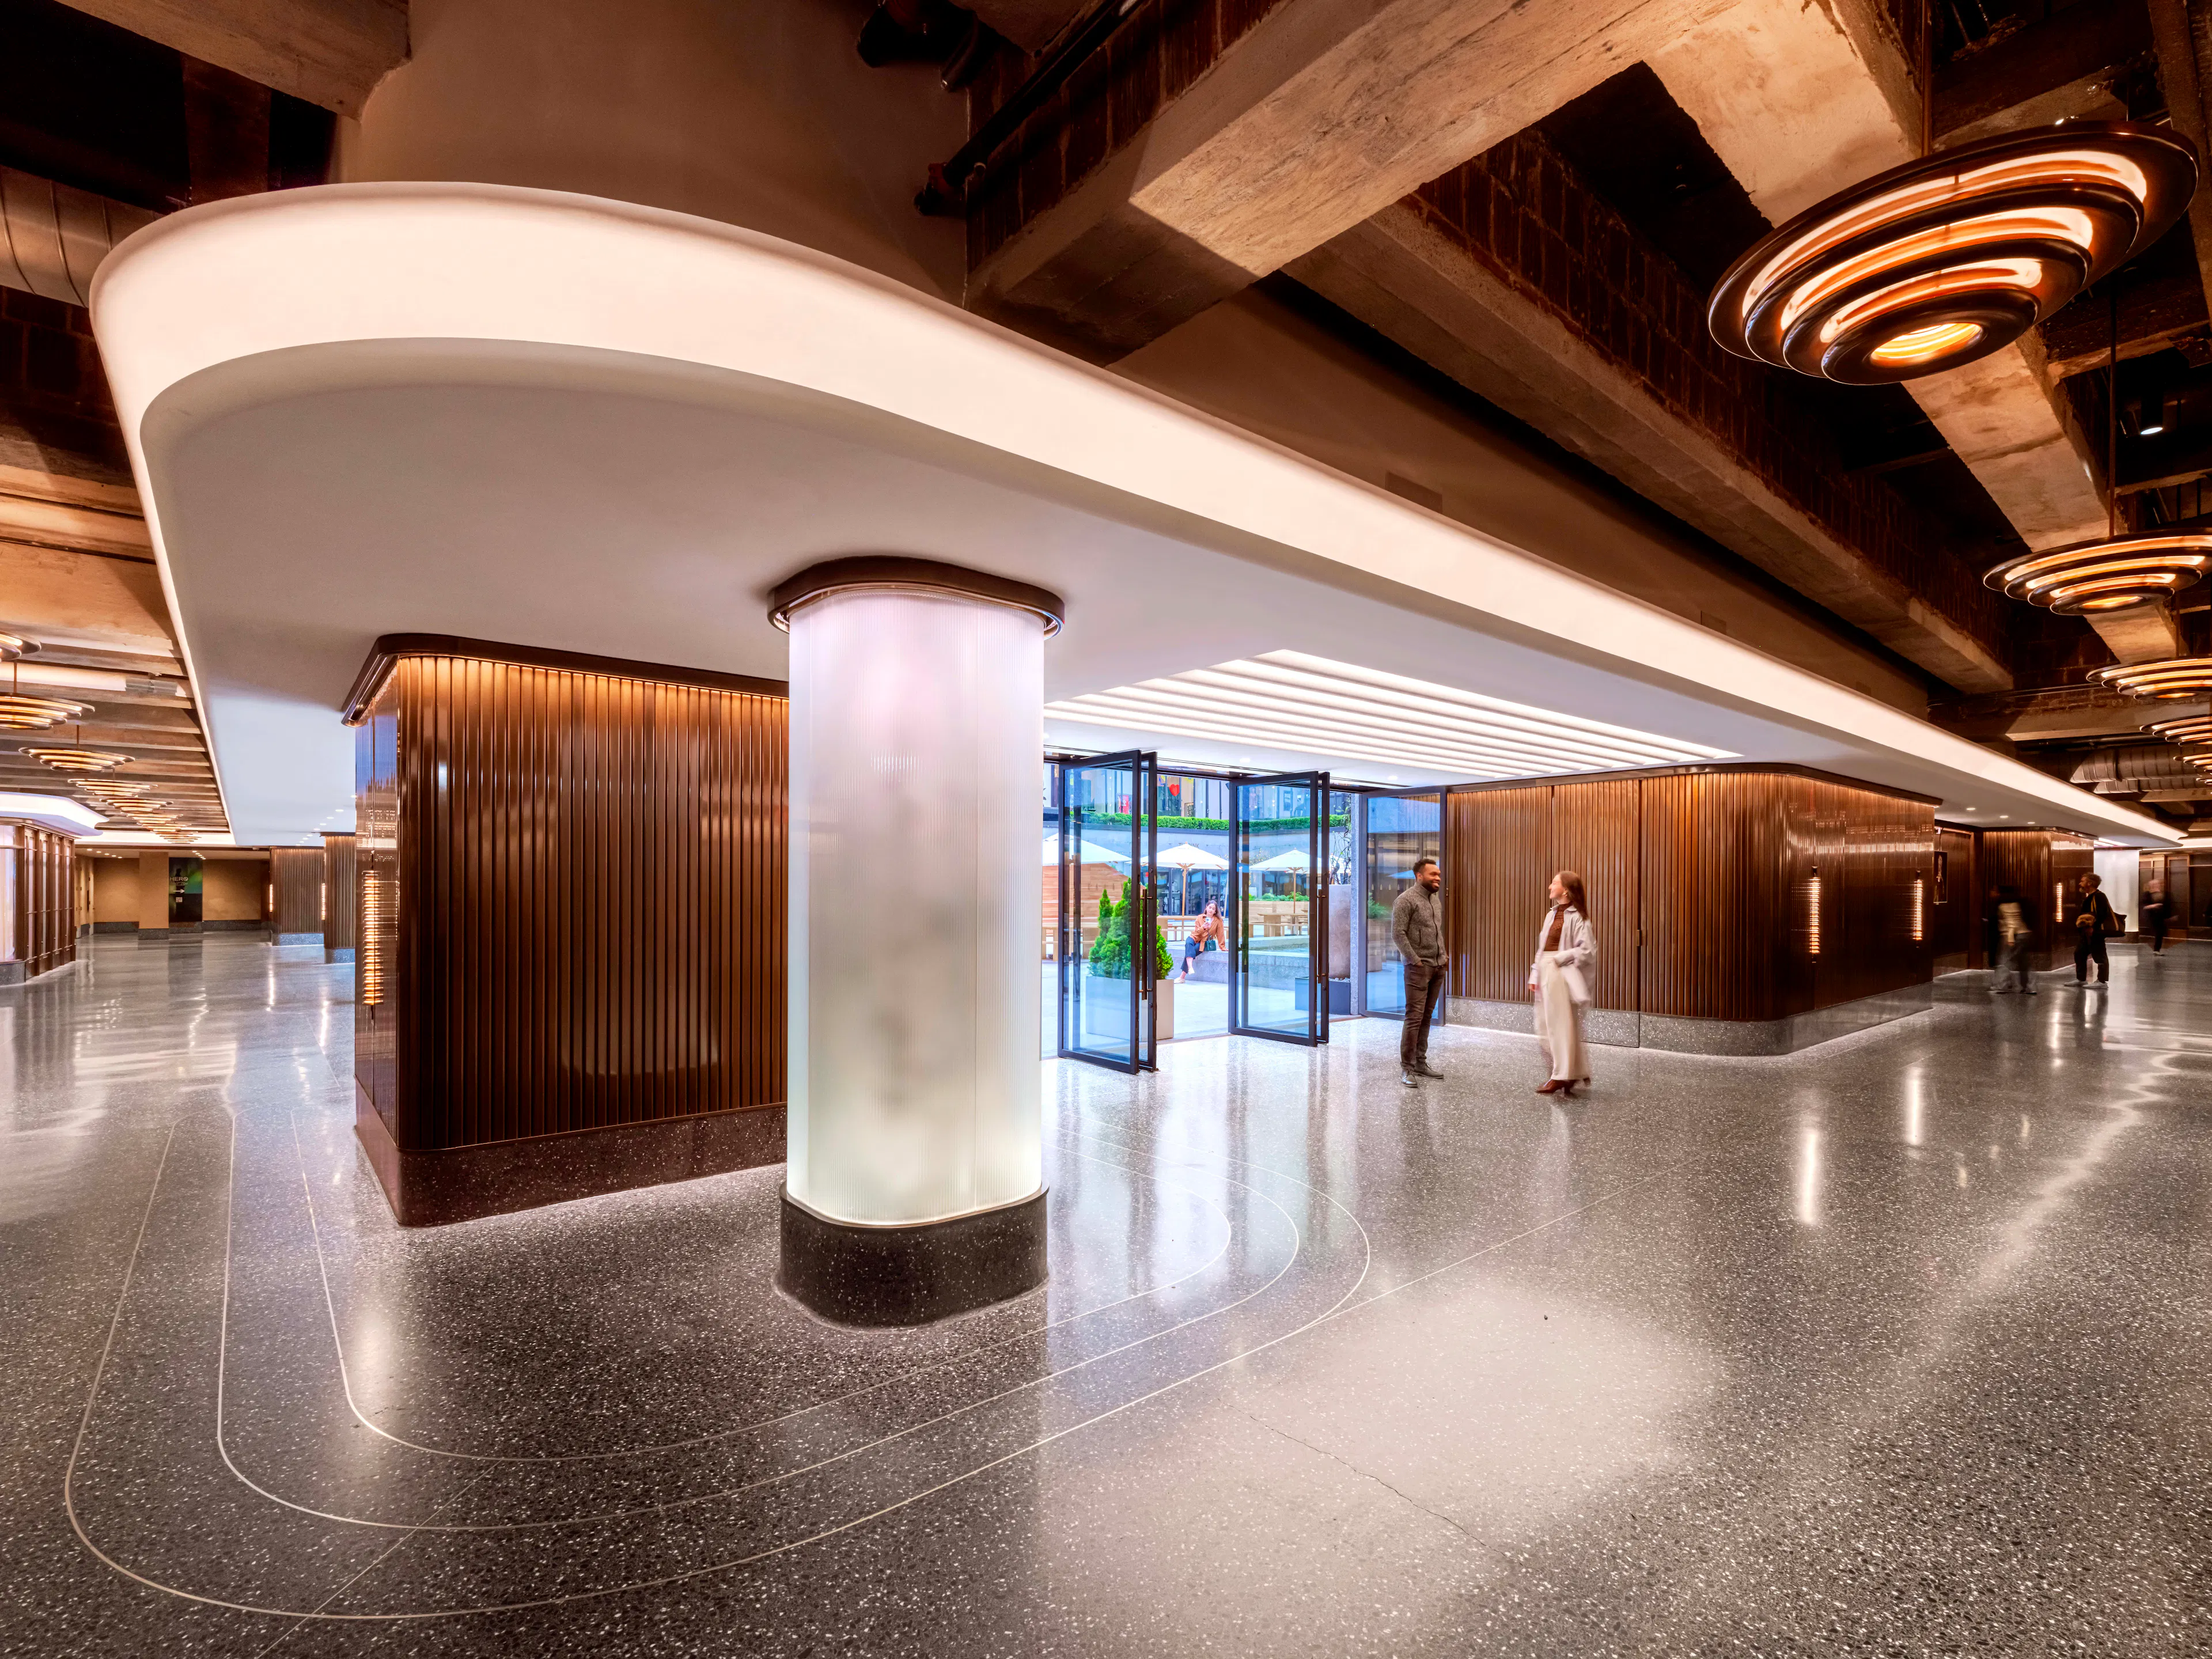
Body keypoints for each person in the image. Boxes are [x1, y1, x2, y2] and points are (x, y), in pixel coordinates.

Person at [1528, 870, 1594, 1097]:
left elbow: (1587, 951)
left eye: (1554, 883)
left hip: (1560, 972)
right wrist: (1535, 975)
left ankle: (1561, 1075)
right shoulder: (1551, 915)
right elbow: (1542, 948)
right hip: (1547, 970)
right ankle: (1572, 1072)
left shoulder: (1579, 918)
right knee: (1546, 1025)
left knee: (1559, 1026)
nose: (1549, 886)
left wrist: (1560, 958)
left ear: (1565, 889)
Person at [1392, 856, 1446, 1086]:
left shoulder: (1435, 901)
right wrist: (1414, 960)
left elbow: (1436, 931)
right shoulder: (1405, 900)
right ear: (1419, 876)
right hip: (1418, 968)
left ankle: (1421, 1063)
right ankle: (1407, 1068)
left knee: (1426, 1017)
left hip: (1438, 966)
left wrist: (1444, 955)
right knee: (1414, 1018)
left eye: (1439, 875)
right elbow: (1398, 934)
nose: (1438, 878)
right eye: (1433, 874)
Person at [2071, 872, 2116, 987]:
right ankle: (2081, 979)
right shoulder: (2089, 897)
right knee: (2079, 953)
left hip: (2095, 932)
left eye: (2083, 881)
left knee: (2099, 955)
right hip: (2086, 932)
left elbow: (2101, 914)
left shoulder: (2099, 896)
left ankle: (2102, 981)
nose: (2080, 883)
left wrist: (2093, 928)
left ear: (2090, 883)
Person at [1991, 884, 2032, 994]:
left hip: (2011, 936)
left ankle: (2002, 986)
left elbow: (2011, 924)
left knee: (2005, 961)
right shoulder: (2018, 904)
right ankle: (2028, 987)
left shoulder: (2003, 906)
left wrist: (2010, 938)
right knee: (2024, 963)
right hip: (2024, 934)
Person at [1176, 898, 1226, 982]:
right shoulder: (1200, 917)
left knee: (1191, 952)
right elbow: (1196, 932)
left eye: (1214, 909)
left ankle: (1182, 977)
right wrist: (1203, 928)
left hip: (1204, 942)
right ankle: (1191, 967)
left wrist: (1223, 947)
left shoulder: (1218, 921)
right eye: (1210, 907)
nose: (1211, 910)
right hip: (1194, 937)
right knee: (1189, 943)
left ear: (1215, 911)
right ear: (1206, 907)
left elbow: (1220, 934)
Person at [2143, 880, 2168, 956]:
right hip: (2152, 917)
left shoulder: (2163, 894)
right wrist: (2154, 906)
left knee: (2160, 933)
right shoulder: (2147, 894)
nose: (2158, 885)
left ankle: (2157, 950)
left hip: (2161, 917)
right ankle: (2156, 949)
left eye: (2158, 884)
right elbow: (2144, 906)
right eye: (2155, 884)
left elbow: (2167, 905)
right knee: (2158, 932)